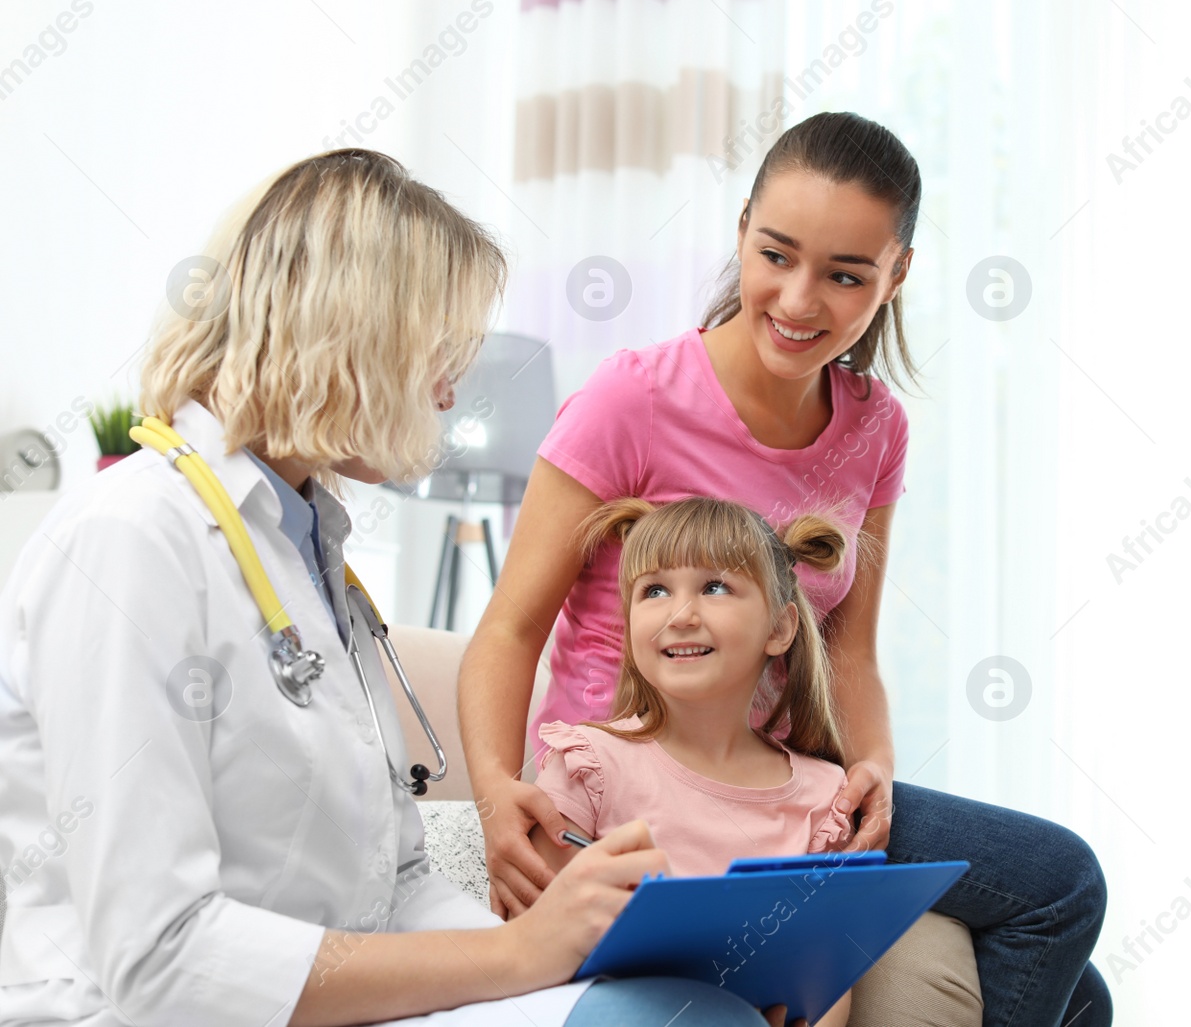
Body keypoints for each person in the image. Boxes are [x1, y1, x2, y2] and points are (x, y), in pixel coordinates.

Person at [0, 149, 784, 1027]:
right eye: (439, 351)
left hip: (335, 1003)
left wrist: (575, 965)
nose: (450, 390)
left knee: (685, 1006)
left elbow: (398, 881)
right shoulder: (130, 538)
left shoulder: (306, 545)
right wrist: (522, 950)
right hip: (146, 1013)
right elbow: (163, 958)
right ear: (355, 333)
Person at [461, 112, 1112, 1027]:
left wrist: (873, 764)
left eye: (846, 275)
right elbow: (509, 628)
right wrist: (496, 792)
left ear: (897, 277)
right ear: (741, 233)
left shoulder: (875, 426)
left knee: (1083, 996)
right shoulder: (631, 399)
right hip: (648, 770)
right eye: (777, 255)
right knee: (1061, 882)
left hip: (784, 778)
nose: (800, 301)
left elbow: (849, 651)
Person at [533, 495, 865, 1027]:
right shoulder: (588, 763)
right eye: (654, 590)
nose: (681, 615)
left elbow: (823, 973)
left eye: (715, 587)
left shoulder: (824, 795)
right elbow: (539, 942)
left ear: (779, 629)